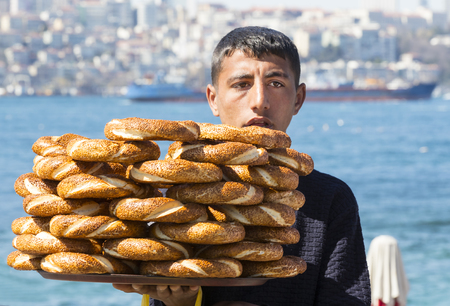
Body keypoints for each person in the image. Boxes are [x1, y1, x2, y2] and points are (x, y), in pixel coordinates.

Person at [113, 26, 371, 306]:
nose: (259, 101)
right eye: (241, 84)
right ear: (213, 99)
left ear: (298, 99)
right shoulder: (177, 194)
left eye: (276, 84)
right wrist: (181, 302)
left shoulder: (330, 198)